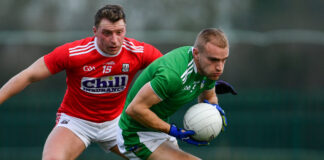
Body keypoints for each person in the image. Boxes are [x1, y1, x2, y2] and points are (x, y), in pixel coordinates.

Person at [0, 4, 163, 160]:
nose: (114, 40)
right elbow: (28, 75)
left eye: (119, 32)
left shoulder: (139, 52)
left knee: (165, 157)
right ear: (95, 31)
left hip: (116, 123)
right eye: (107, 33)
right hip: (76, 122)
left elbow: (172, 73)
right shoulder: (74, 53)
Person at [117, 28, 236, 160]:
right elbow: (134, 109)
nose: (220, 67)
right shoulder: (173, 75)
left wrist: (214, 113)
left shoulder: (208, 68)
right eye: (214, 60)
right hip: (135, 135)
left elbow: (209, 98)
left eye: (223, 60)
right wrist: (173, 131)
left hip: (159, 133)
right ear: (196, 53)